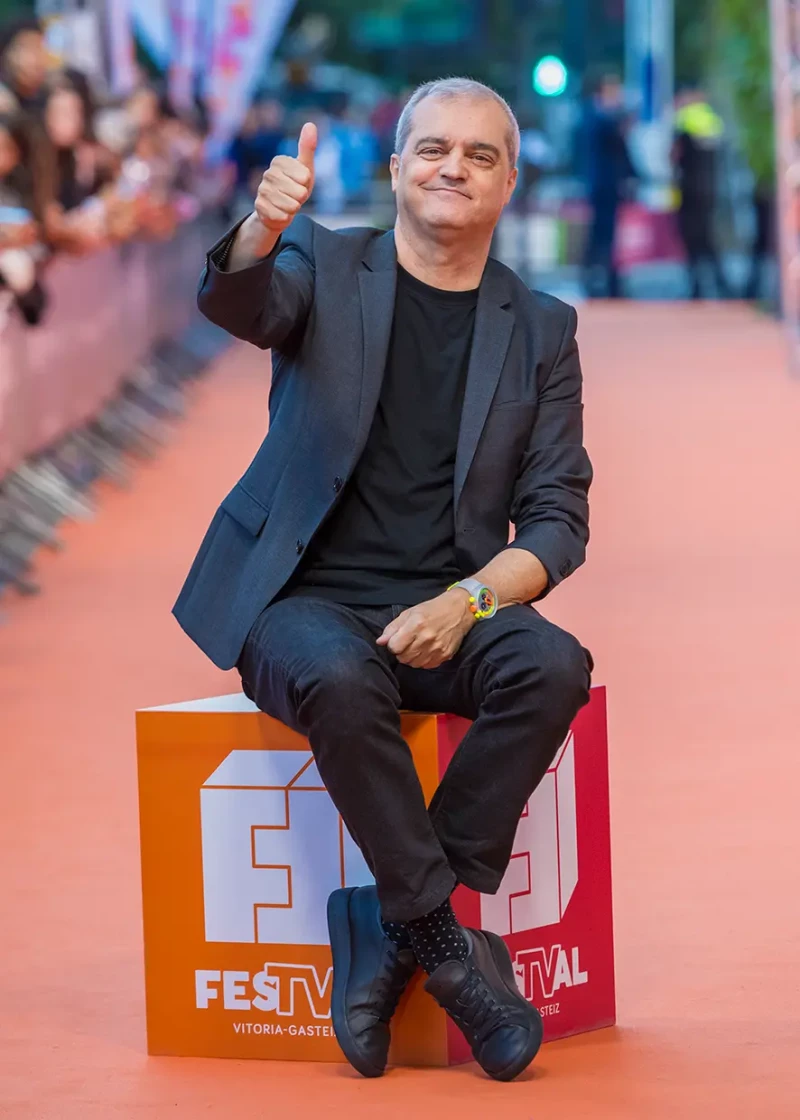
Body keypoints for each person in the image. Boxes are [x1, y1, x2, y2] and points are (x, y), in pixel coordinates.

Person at [175, 77, 593, 1082]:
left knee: (551, 667)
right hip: (300, 597)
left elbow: (555, 517)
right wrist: (262, 227)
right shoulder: (324, 259)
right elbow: (240, 300)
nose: (454, 166)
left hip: (446, 599)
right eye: (434, 148)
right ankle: (444, 947)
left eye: (480, 155)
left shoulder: (539, 327)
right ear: (397, 165)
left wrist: (467, 601)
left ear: (508, 183)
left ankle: (387, 921)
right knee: (340, 679)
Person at [580, 73, 637, 298]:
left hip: (612, 186)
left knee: (609, 235)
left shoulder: (607, 118)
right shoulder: (595, 116)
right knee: (600, 234)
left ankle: (608, 280)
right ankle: (597, 279)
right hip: (601, 185)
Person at [672, 88, 732, 299]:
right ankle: (720, 285)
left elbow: (675, 155)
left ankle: (697, 286)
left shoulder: (683, 119)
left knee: (692, 240)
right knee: (707, 238)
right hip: (708, 188)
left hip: (688, 189)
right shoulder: (712, 120)